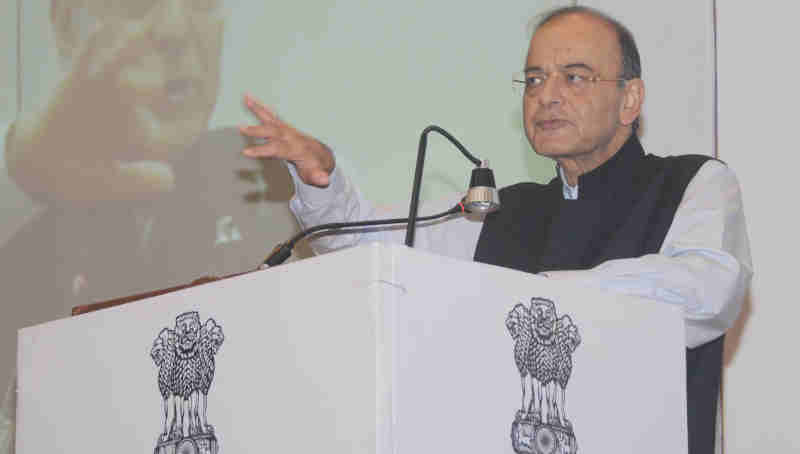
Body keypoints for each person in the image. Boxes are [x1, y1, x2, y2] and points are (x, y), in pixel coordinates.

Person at [240, 6, 752, 454]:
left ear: (630, 100)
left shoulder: (692, 181)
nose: (546, 96)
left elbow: (704, 291)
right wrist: (324, 183)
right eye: (533, 79)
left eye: (573, 77)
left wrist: (528, 296)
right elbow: (373, 256)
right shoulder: (502, 211)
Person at [0, 2, 300, 452]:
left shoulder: (271, 178)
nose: (176, 31)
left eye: (201, 3)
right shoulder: (24, 219)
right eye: (136, 4)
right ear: (64, 27)